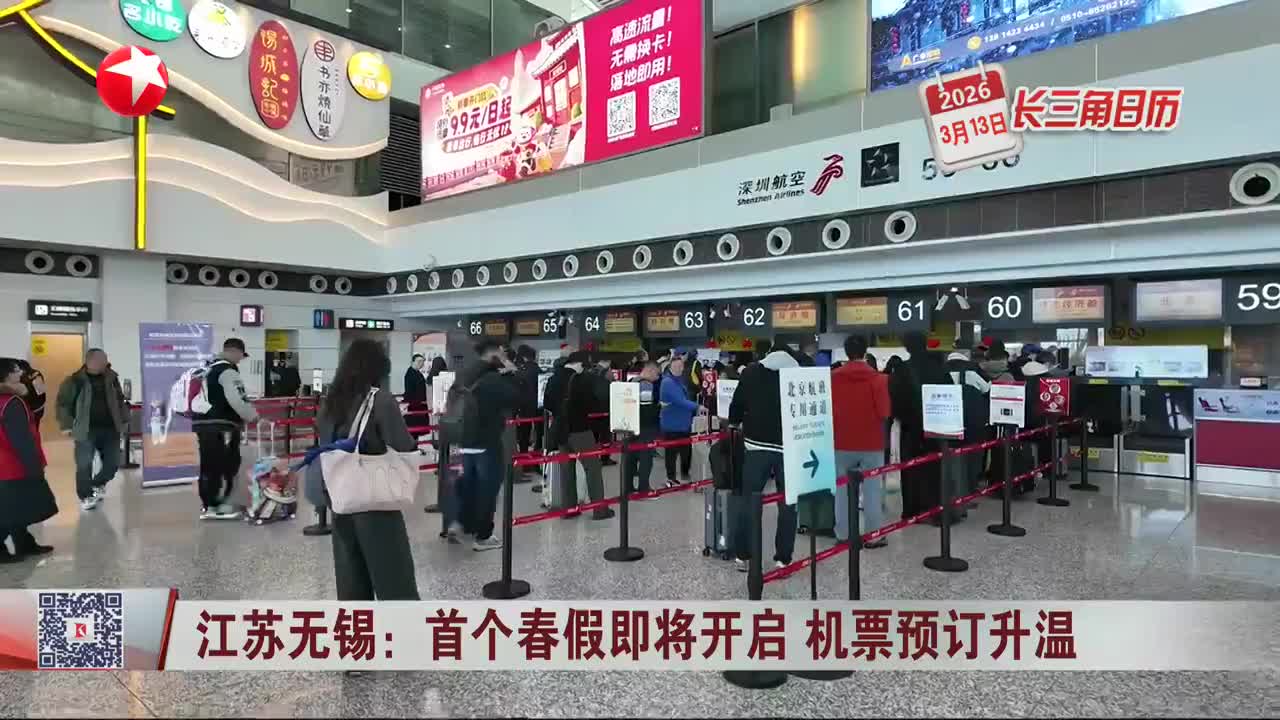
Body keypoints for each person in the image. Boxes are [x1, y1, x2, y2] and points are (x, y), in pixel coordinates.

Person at [310, 339, 420, 610]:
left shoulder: (330, 402)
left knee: (351, 582)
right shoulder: (379, 400)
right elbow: (402, 443)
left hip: (341, 499)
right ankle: (406, 632)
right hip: (375, 501)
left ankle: (358, 631)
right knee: (395, 582)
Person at [728, 346, 799, 571]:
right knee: (788, 503)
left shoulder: (750, 372)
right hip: (789, 447)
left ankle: (743, 555)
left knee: (749, 500)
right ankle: (783, 559)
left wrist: (734, 422)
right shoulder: (800, 373)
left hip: (756, 445)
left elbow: (737, 404)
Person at [450, 340, 521, 549]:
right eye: (502, 352)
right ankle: (483, 536)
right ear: (495, 353)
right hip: (486, 440)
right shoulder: (492, 378)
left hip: (465, 438)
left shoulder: (465, 373)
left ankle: (460, 525)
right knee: (487, 488)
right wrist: (511, 372)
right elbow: (517, 399)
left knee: (468, 484)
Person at [832, 335, 891, 548]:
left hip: (840, 441)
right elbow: (884, 412)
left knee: (841, 489)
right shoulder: (879, 379)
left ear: (846, 353)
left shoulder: (833, 378)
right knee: (872, 489)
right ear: (865, 352)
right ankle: (874, 535)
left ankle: (843, 534)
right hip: (871, 442)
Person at [889, 332, 954, 524]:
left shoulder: (902, 370)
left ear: (907, 347)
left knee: (910, 470)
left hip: (910, 429)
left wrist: (905, 418)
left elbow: (895, 401)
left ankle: (912, 511)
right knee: (934, 469)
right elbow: (950, 393)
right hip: (936, 427)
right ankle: (935, 510)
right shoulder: (939, 368)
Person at [191, 338, 259, 520]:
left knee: (209, 464)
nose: (240, 360)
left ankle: (209, 504)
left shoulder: (207, 369)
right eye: (241, 356)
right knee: (225, 464)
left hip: (203, 424)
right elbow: (237, 399)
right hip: (222, 425)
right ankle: (219, 504)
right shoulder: (227, 371)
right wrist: (253, 416)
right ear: (235, 351)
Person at [0, 358, 57, 564]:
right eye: (16, 370)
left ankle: (24, 542)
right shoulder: (11, 402)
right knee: (12, 509)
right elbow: (21, 440)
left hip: (5, 465)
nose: (20, 373)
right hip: (12, 465)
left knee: (15, 508)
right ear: (6, 375)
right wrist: (34, 468)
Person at [55, 348, 127, 511]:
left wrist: (124, 420)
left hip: (111, 428)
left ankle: (97, 483)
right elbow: (63, 404)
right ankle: (85, 495)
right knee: (84, 464)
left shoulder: (112, 378)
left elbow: (119, 400)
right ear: (91, 361)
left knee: (113, 463)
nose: (106, 362)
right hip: (85, 430)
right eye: (103, 359)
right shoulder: (74, 381)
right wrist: (66, 425)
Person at [555, 351, 613, 519]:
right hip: (580, 430)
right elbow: (593, 403)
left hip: (560, 431)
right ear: (580, 364)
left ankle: (569, 509)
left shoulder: (554, 378)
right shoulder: (581, 380)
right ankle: (599, 510)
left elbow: (548, 403)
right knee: (592, 468)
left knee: (566, 471)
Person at [947, 351, 992, 501]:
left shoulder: (942, 373)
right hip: (973, 422)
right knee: (974, 456)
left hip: (950, 422)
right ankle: (971, 487)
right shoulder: (971, 374)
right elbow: (987, 389)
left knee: (953, 456)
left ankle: (955, 489)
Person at [659, 354, 702, 487]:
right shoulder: (667, 382)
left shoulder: (680, 380)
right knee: (671, 453)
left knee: (686, 452)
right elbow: (680, 401)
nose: (679, 368)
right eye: (676, 366)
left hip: (683, 424)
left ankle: (684, 474)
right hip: (672, 425)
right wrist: (697, 407)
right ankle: (671, 478)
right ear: (670, 367)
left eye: (681, 366)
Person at [623, 361, 661, 493]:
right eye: (657, 374)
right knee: (646, 458)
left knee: (631, 458)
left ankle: (628, 487)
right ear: (650, 370)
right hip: (645, 427)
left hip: (630, 425)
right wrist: (658, 408)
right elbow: (646, 408)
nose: (657, 377)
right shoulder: (646, 385)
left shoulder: (632, 382)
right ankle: (644, 488)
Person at [513, 345, 543, 469]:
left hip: (524, 409)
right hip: (539, 408)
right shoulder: (540, 370)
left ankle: (524, 464)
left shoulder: (519, 372)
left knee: (523, 437)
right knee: (539, 436)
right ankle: (537, 464)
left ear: (523, 357)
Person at [403, 354, 428, 420]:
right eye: (419, 361)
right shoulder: (410, 373)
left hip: (421, 403)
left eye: (422, 361)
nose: (421, 363)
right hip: (415, 405)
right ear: (413, 362)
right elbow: (410, 391)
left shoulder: (418, 373)